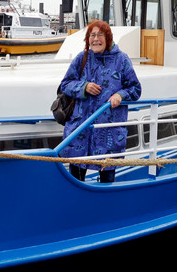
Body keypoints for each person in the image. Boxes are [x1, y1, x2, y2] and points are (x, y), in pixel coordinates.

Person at [58, 20, 142, 183]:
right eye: (92, 35)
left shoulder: (122, 60)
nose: (96, 39)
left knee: (107, 180)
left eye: (100, 35)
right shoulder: (82, 58)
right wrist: (84, 87)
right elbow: (65, 84)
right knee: (76, 179)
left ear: (108, 38)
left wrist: (120, 95)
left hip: (109, 132)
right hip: (80, 130)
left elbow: (135, 88)